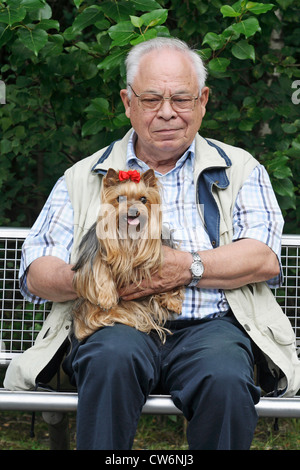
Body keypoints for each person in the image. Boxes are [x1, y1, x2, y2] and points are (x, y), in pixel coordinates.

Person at [4, 37, 300, 450]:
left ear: (203, 100)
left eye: (181, 98)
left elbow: (263, 258)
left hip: (210, 329)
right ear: (128, 102)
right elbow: (37, 271)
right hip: (114, 320)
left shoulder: (241, 169)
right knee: (109, 360)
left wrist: (185, 267)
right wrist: (101, 278)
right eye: (151, 99)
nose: (167, 112)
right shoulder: (82, 176)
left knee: (226, 378)